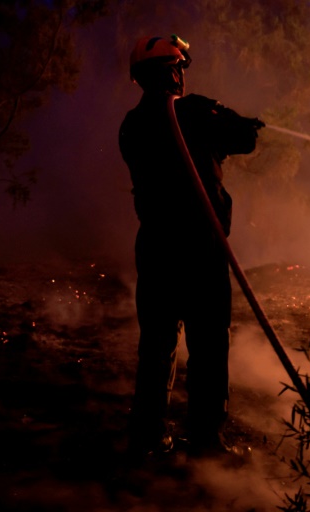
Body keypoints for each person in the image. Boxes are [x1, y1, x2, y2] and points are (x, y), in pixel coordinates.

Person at [119, 34, 263, 458]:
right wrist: (235, 118)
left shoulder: (131, 124)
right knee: (209, 345)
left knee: (157, 345)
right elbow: (244, 139)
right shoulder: (196, 111)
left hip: (157, 249)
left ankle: (147, 437)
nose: (182, 74)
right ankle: (204, 440)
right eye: (178, 66)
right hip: (201, 250)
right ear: (169, 71)